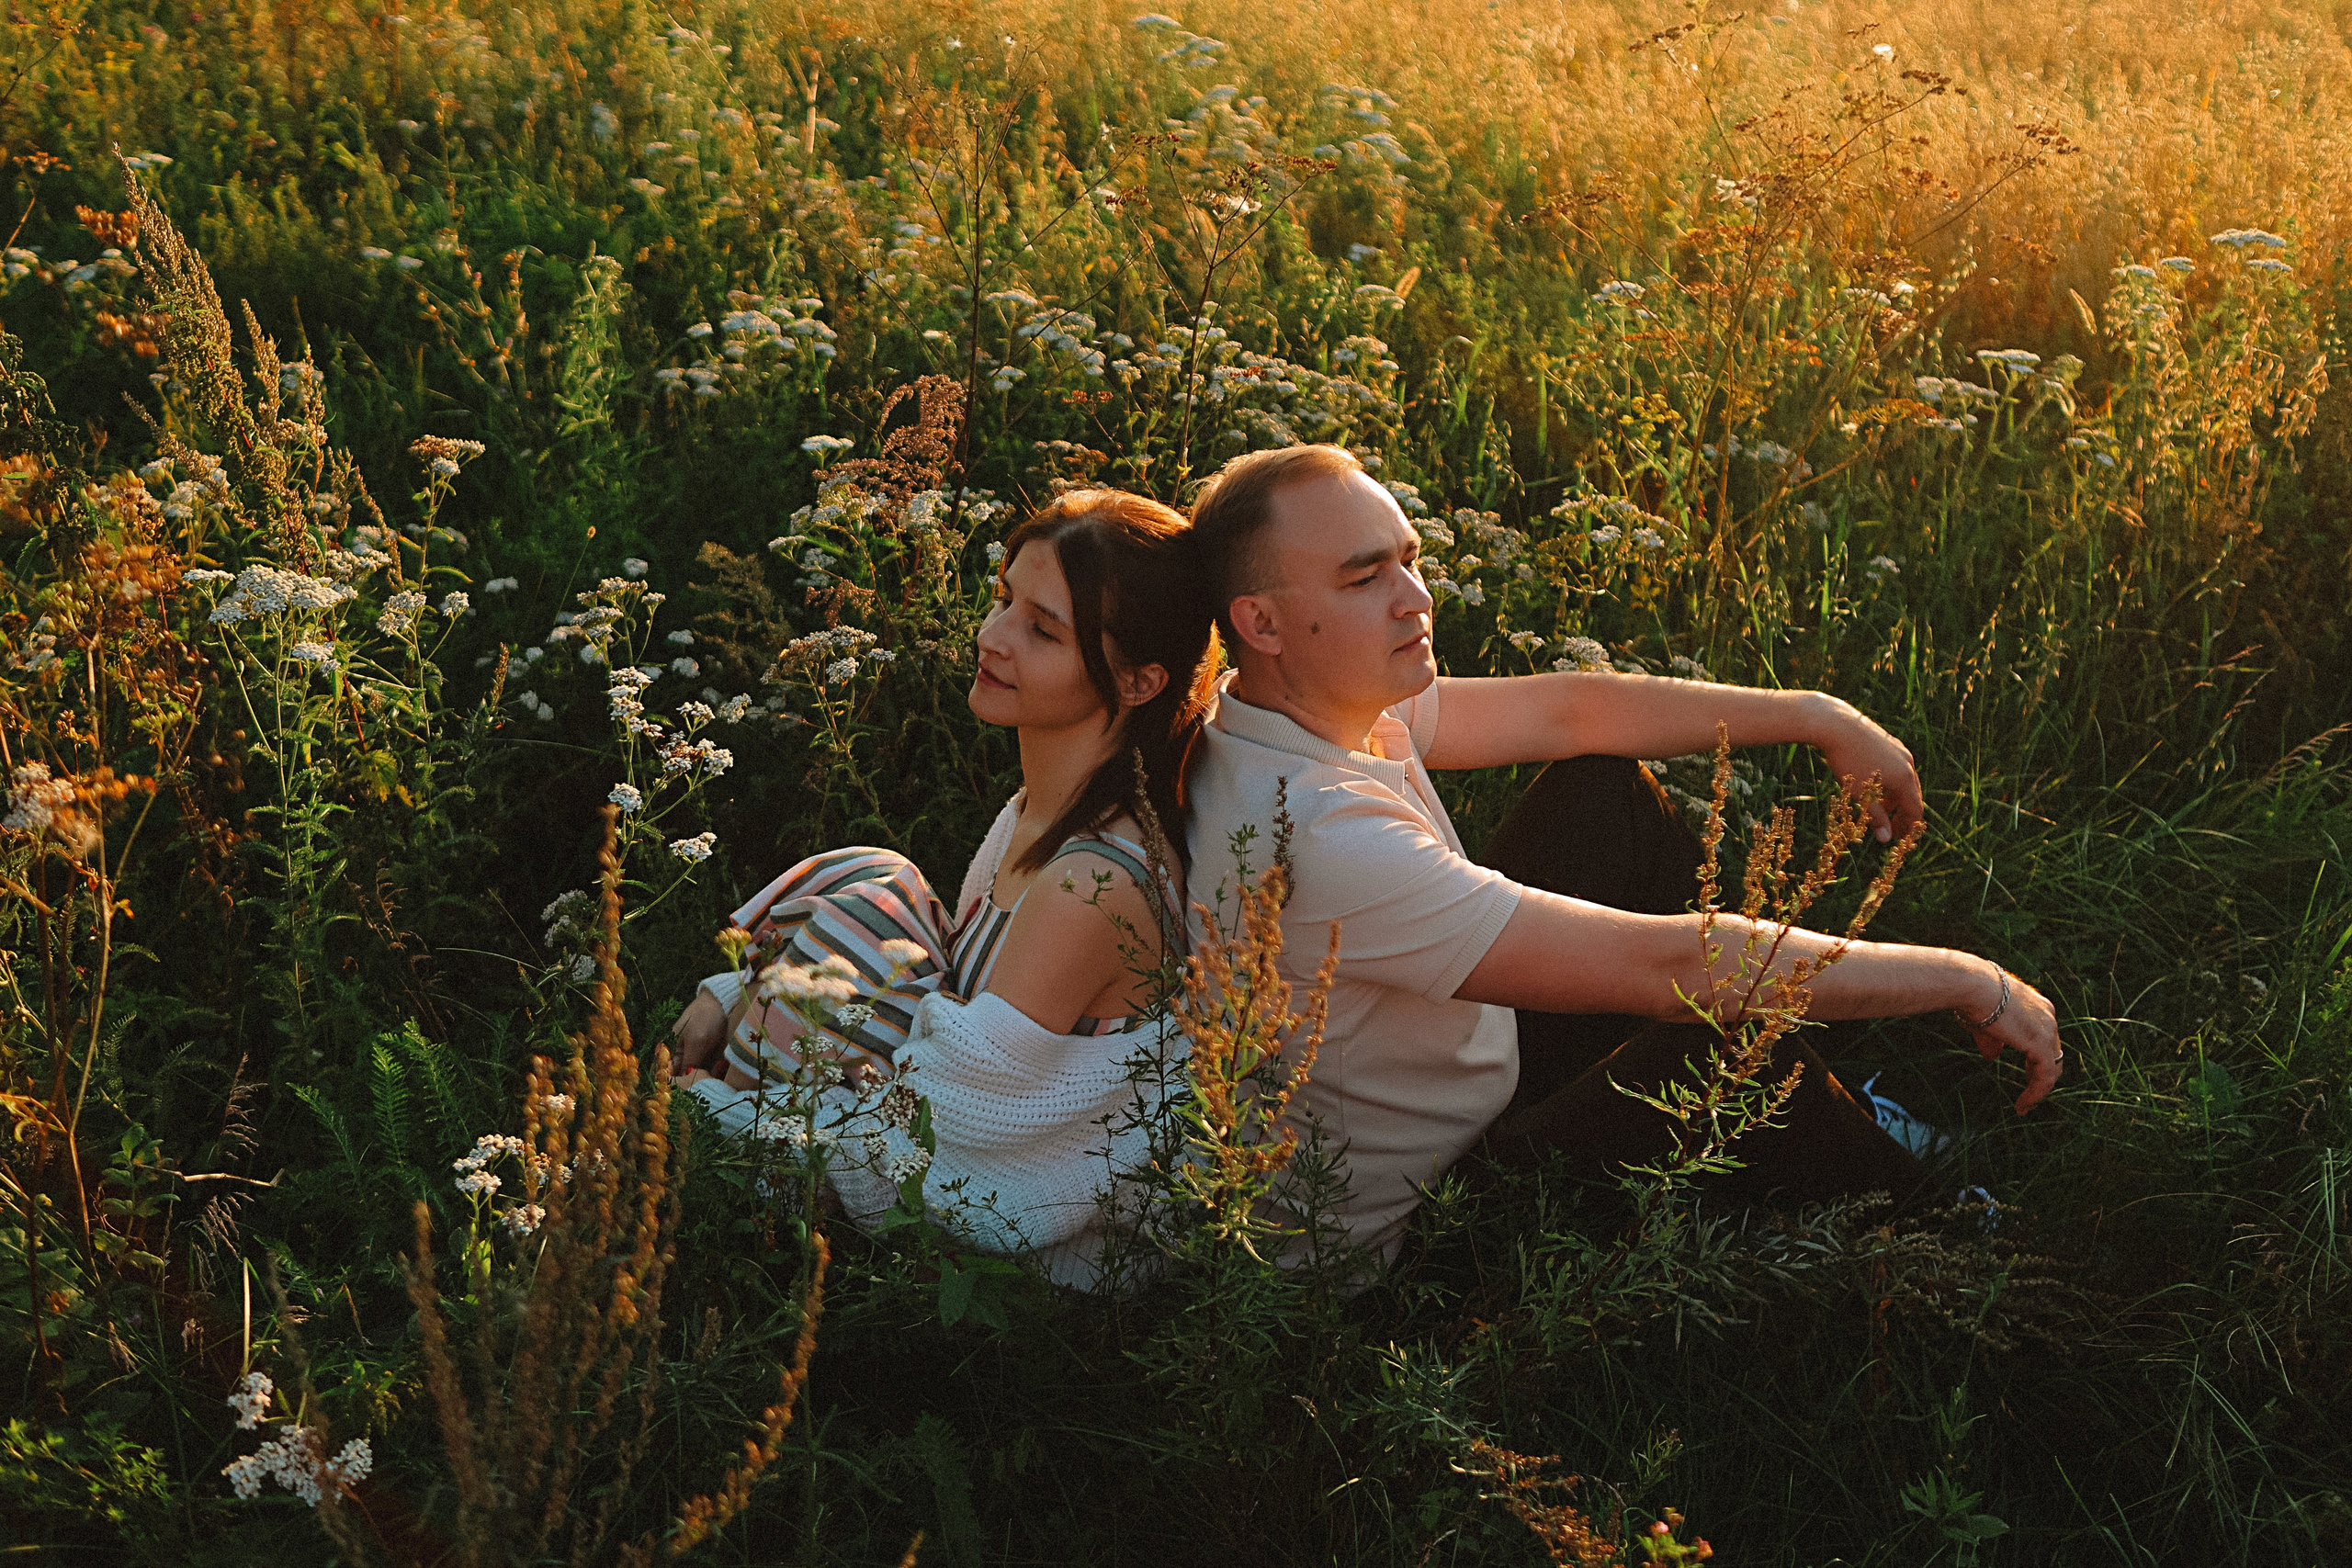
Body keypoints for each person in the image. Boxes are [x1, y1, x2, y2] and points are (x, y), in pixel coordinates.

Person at [1179, 444, 2064, 1267]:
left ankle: (1836, 1102)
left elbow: (1576, 714)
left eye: (1408, 557)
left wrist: (1816, 714)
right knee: (1716, 1044)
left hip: (1471, 1078)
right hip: (1424, 1230)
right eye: (1365, 577)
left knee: (1597, 795)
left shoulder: (1292, 708)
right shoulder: (1318, 830)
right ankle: (1954, 1239)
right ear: (1261, 621)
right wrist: (1965, 977)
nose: (1415, 596)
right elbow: (1675, 962)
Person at [671, 489, 1219, 1285]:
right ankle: (733, 1097)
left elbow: (933, 1146)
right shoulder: (1039, 808)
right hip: (936, 1132)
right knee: (877, 879)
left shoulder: (1091, 883)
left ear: (1139, 681)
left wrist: (713, 1119)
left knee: (857, 925)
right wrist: (733, 990)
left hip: (1020, 1260)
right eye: (1004, 600)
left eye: (1042, 630)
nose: (992, 637)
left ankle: (728, 1179)